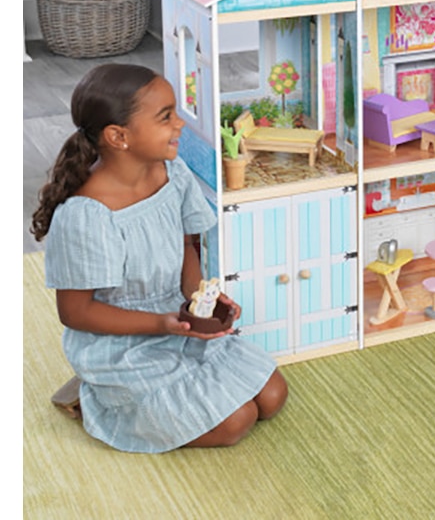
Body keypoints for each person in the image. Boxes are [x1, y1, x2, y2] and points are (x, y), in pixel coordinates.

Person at [31, 63, 288, 452]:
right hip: (121, 342)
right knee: (236, 422)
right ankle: (97, 401)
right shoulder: (85, 215)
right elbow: (75, 313)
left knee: (272, 396)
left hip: (173, 320)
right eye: (165, 116)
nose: (179, 124)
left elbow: (185, 246)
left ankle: (164, 387)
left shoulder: (172, 172)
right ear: (118, 136)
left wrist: (200, 303)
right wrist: (161, 324)